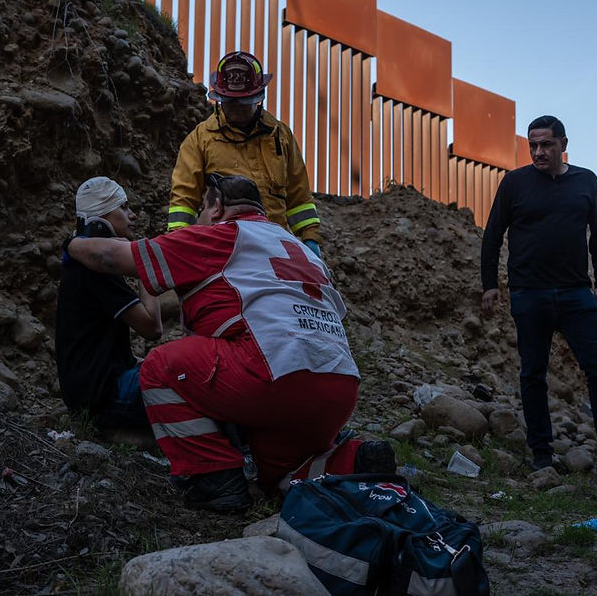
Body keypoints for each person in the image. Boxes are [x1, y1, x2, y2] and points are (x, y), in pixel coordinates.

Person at [67, 174, 393, 512]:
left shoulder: (216, 237)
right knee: (277, 473)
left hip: (273, 374)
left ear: (217, 208)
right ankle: (351, 460)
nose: (196, 220)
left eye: (200, 211)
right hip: (338, 384)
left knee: (162, 366)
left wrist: (72, 242)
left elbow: (108, 257)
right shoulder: (296, 246)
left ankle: (215, 478)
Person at [480, 115, 597, 483]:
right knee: (533, 374)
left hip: (576, 293)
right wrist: (490, 284)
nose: (538, 152)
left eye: (546, 144)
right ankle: (542, 454)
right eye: (532, 145)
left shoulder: (586, 181)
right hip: (529, 294)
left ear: (563, 145)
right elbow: (492, 234)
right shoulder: (515, 183)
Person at [167, 51, 323, 257]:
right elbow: (184, 201)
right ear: (220, 98)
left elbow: (299, 197)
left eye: (244, 101)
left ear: (258, 97)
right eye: (231, 102)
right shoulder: (200, 140)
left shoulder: (280, 136)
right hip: (224, 249)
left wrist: (310, 239)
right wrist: (178, 244)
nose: (237, 108)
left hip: (275, 247)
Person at [55, 177, 162, 429]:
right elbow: (152, 328)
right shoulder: (96, 270)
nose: (132, 215)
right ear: (102, 218)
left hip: (90, 394)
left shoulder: (80, 266)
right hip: (104, 398)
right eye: (123, 208)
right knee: (188, 377)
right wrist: (147, 266)